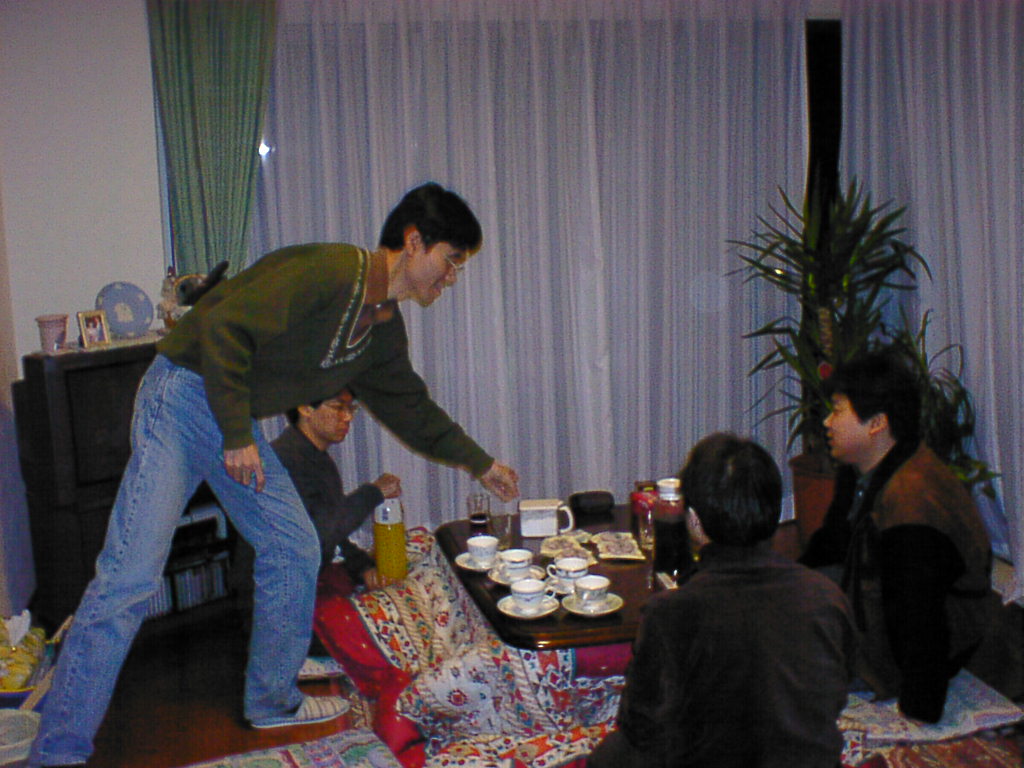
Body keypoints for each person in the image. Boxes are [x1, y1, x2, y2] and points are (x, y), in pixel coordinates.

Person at [29, 182, 520, 768]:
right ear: (414, 242)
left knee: (293, 545)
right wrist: (239, 434)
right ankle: (55, 754)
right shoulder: (329, 270)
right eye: (452, 260)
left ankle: (271, 700)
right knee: (128, 580)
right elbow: (224, 325)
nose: (453, 277)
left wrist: (482, 463)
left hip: (227, 413)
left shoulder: (383, 330)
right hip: (182, 396)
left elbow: (411, 408)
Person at [588, 433, 854, 768]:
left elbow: (641, 726)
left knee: (610, 756)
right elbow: (834, 697)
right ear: (774, 512)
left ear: (694, 519)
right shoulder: (825, 596)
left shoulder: (670, 612)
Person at [801, 350, 994, 723]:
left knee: (780, 664)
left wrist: (919, 711)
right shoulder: (861, 465)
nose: (827, 422)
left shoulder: (912, 501)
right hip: (873, 599)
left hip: (918, 642)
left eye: (837, 411)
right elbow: (830, 545)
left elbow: (921, 617)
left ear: (877, 423)